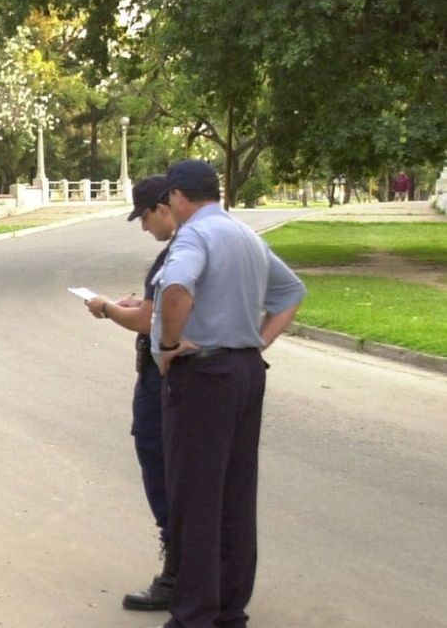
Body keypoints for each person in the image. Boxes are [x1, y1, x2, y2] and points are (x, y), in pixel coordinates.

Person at [149, 160, 307, 628]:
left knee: (195, 499)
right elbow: (291, 292)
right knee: (235, 494)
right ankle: (228, 610)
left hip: (204, 375)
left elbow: (176, 288)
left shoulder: (195, 236)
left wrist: (169, 345)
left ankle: (194, 615)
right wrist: (257, 340)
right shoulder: (246, 236)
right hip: (244, 370)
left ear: (177, 197)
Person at [82, 175, 179, 611]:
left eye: (144, 216)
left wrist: (106, 309)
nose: (143, 227)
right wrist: (132, 306)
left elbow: (150, 323)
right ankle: (191, 566)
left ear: (163, 207)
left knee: (160, 463)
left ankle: (176, 571)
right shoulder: (188, 250)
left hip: (163, 376)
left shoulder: (180, 253)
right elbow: (152, 311)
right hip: (173, 371)